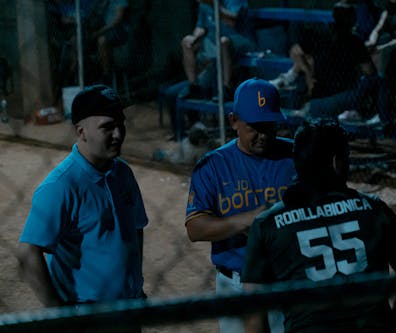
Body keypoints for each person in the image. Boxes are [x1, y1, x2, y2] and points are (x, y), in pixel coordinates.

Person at [242, 120, 396, 332]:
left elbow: (253, 313)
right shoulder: (373, 209)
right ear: (336, 162)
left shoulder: (267, 223)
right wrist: (390, 324)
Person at [16, 85, 147, 333]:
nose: (118, 134)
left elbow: (136, 229)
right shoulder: (61, 185)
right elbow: (27, 253)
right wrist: (60, 314)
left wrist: (136, 285)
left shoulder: (122, 173)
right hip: (88, 315)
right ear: (81, 131)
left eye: (121, 124)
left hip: (128, 307)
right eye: (107, 127)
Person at [185, 78, 296, 333]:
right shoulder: (213, 164)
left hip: (288, 280)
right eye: (254, 127)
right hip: (235, 281)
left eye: (269, 125)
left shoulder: (295, 156)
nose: (264, 134)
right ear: (233, 121)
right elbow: (195, 227)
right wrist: (246, 221)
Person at [161, 0, 256, 139]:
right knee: (187, 41)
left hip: (236, 40)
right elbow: (201, 26)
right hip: (211, 53)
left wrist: (214, 5)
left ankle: (226, 88)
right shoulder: (204, 4)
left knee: (223, 42)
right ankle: (194, 88)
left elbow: (232, 21)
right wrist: (194, 37)